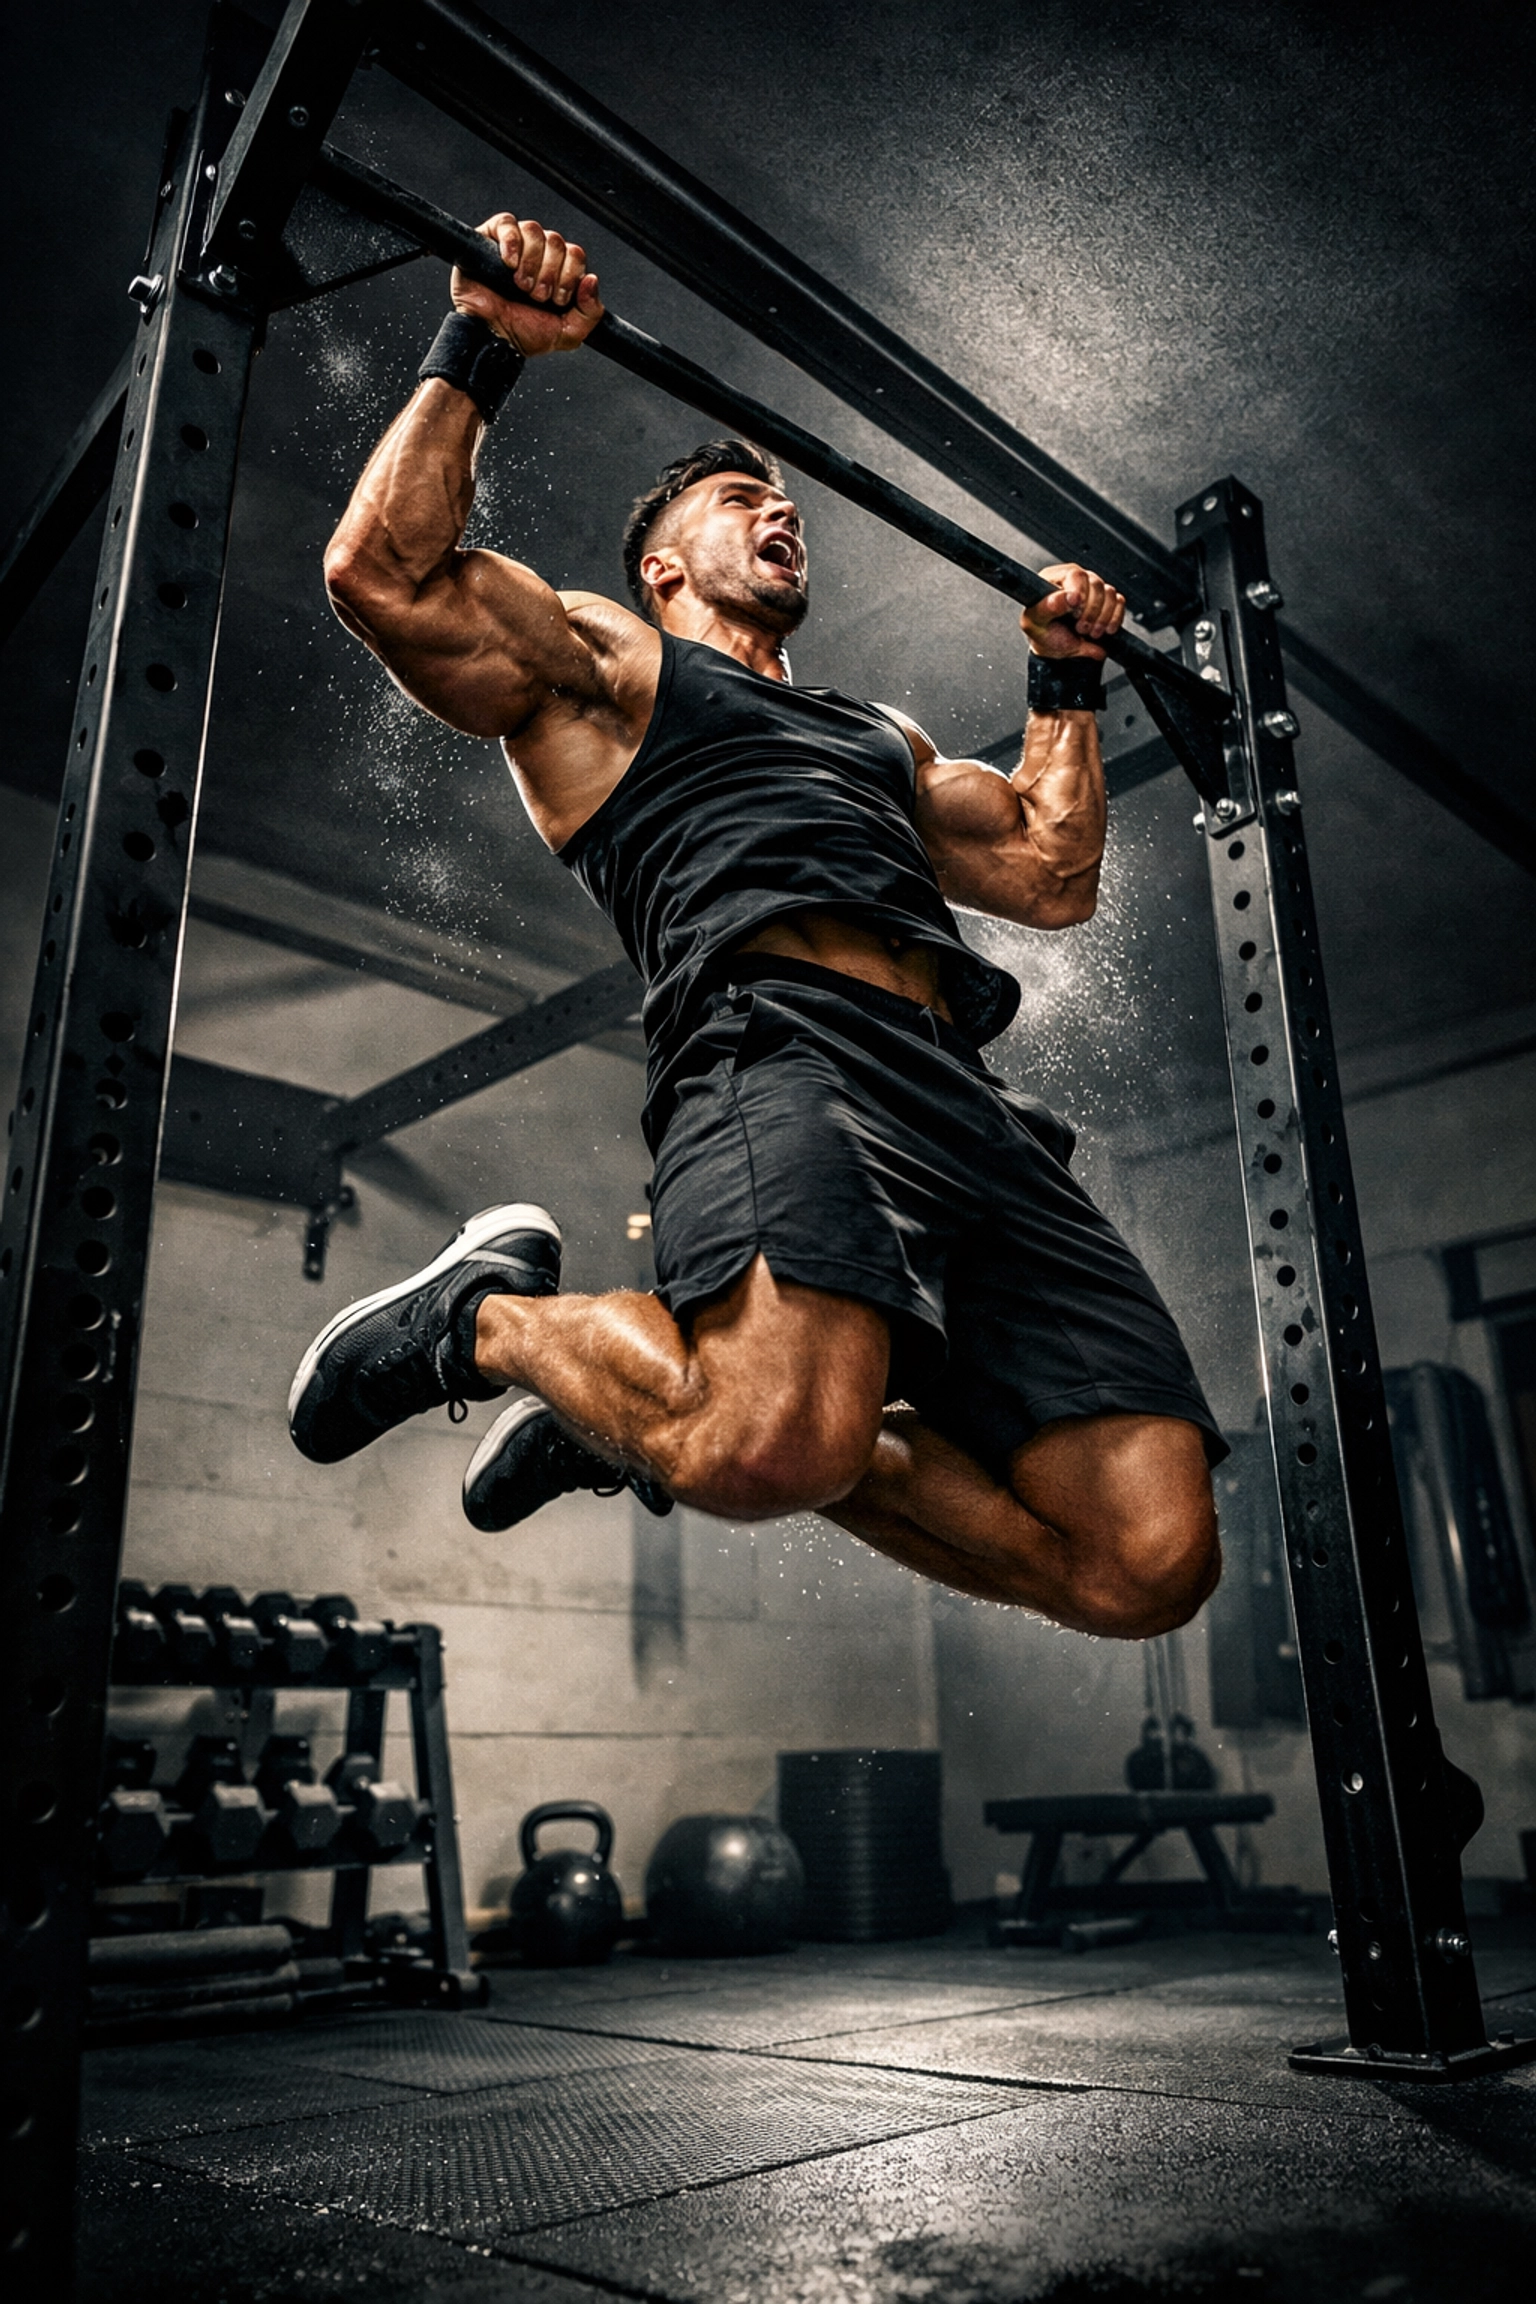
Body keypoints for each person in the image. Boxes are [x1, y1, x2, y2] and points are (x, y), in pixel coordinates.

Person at [288, 211, 1224, 1639]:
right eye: (738, 498)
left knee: (1151, 1564)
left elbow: (1047, 871)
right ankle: (487, 1319)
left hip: (968, 1108)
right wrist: (480, 337)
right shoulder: (613, 662)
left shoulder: (877, 736)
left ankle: (632, 1404)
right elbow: (386, 578)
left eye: (788, 506)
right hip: (783, 1047)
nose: (780, 514)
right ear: (662, 564)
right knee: (767, 1448)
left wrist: (1066, 680)